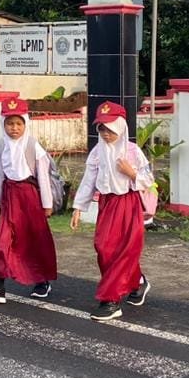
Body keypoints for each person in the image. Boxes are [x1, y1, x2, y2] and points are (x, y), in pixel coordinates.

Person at [70, 102, 154, 321]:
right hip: (107, 205)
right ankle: (137, 282)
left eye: (110, 128)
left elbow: (148, 181)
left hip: (128, 204)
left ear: (120, 127)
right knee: (103, 247)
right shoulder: (97, 152)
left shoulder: (133, 152)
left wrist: (131, 173)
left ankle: (111, 300)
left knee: (123, 250)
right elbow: (88, 180)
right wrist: (78, 207)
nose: (106, 133)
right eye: (102, 128)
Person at [0, 98, 58, 304]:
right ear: (3, 124)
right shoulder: (2, 145)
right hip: (10, 197)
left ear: (25, 123)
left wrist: (47, 204)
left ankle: (42, 281)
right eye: (10, 124)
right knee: (3, 241)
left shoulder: (32, 146)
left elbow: (43, 177)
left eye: (18, 123)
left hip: (30, 198)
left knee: (34, 239)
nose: (14, 128)